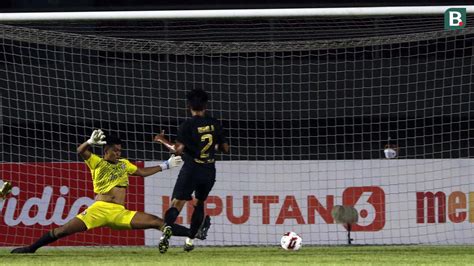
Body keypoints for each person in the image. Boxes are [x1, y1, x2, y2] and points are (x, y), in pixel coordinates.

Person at [11, 129, 203, 254]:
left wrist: (166, 165)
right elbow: (81, 151)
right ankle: (31, 248)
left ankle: (195, 233)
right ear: (106, 151)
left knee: (158, 222)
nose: (119, 153)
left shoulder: (124, 164)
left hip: (119, 212)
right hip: (98, 210)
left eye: (120, 150)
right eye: (116, 151)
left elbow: (143, 173)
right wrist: (88, 141)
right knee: (62, 231)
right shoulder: (97, 162)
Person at [154, 88, 229, 253]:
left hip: (192, 168)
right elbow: (225, 148)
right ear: (206, 105)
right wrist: (211, 146)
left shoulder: (187, 125)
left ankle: (165, 232)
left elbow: (177, 150)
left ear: (189, 106)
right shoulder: (215, 123)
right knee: (199, 203)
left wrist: (161, 140)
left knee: (177, 203)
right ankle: (190, 241)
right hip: (209, 170)